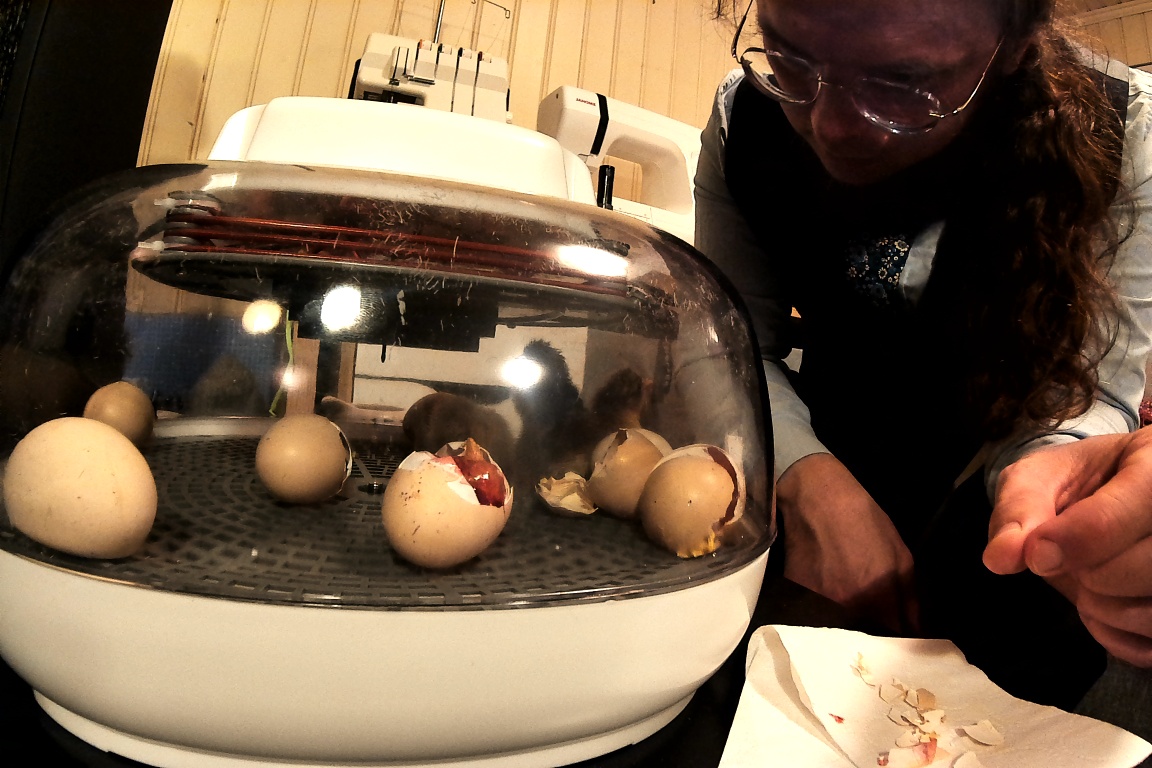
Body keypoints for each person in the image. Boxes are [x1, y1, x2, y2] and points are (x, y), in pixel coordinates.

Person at [695, 0, 1152, 718]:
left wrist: (1049, 487)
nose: (829, 127)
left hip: (1009, 551)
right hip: (812, 491)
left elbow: (1092, 387)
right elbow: (730, 347)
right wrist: (806, 481)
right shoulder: (743, 120)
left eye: (904, 83)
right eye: (789, 59)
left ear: (1014, 46)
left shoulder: (1128, 130)